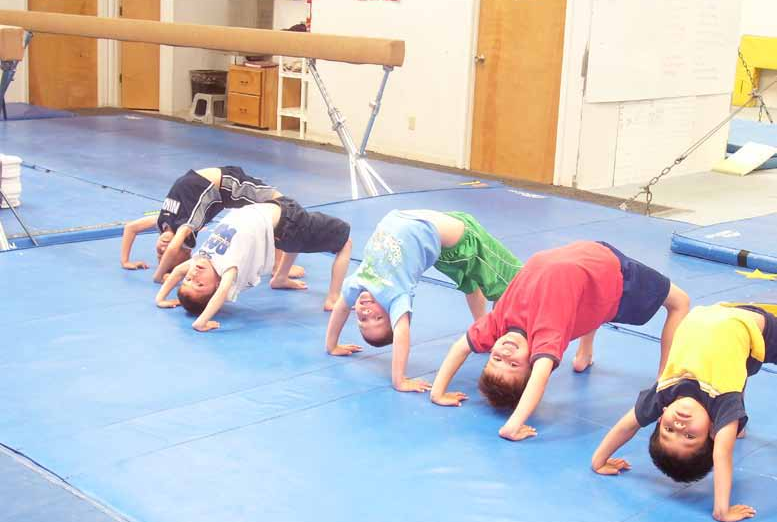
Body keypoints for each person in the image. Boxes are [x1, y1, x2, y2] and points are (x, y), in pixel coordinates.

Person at [430, 240, 690, 441]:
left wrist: (437, 392)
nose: (505, 354)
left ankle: (584, 354)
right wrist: (512, 426)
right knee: (680, 303)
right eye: (512, 365)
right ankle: (663, 384)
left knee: (575, 303)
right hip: (615, 275)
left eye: (496, 359)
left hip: (586, 262)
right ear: (532, 363)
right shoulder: (546, 335)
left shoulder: (498, 322)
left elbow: (460, 347)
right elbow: (541, 377)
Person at [590, 303, 777, 522]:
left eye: (668, 429)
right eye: (690, 436)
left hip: (724, 316)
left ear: (661, 416)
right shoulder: (724, 402)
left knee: (731, 377)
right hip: (758, 330)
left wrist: (599, 460)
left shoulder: (664, 393)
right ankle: (734, 425)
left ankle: (734, 425)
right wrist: (722, 510)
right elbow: (722, 454)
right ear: (714, 433)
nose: (679, 427)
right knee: (732, 379)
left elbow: (628, 425)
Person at [325, 209, 522, 392]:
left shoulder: (358, 283)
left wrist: (332, 345)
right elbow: (402, 333)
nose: (366, 314)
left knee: (470, 282)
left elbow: (341, 308)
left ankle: (485, 329)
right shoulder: (396, 296)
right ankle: (492, 332)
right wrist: (399, 379)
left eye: (362, 321)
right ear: (392, 314)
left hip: (435, 241)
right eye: (377, 319)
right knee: (511, 282)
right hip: (461, 239)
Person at [155, 197, 352, 330]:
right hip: (288, 220)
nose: (193, 275)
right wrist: (201, 322)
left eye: (188, 279)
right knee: (345, 242)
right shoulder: (228, 269)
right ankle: (333, 298)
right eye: (199, 284)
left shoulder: (201, 260)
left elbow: (178, 271)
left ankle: (281, 278)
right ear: (215, 285)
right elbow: (223, 293)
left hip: (276, 219)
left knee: (295, 240)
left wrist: (161, 298)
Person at [119, 165, 303, 282]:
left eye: (158, 252)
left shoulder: (163, 222)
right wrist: (160, 275)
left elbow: (131, 228)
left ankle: (278, 265)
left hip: (223, 183)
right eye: (166, 255)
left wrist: (126, 261)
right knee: (282, 208)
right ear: (186, 249)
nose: (162, 250)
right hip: (226, 189)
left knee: (281, 207)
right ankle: (278, 266)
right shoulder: (186, 226)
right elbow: (175, 244)